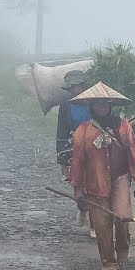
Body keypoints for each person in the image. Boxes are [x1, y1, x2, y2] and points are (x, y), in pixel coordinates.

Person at [68, 83, 135, 270]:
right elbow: (78, 161)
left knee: (122, 218)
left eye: (105, 104)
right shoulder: (83, 130)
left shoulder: (122, 126)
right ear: (92, 107)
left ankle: (122, 251)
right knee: (101, 223)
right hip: (94, 183)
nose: (101, 107)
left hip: (120, 179)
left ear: (110, 106)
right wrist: (77, 189)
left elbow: (133, 154)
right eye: (98, 104)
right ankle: (108, 261)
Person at [55, 70, 94, 237]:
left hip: (95, 148)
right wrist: (62, 158)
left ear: (83, 86)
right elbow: (61, 132)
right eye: (70, 87)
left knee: (96, 185)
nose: (74, 90)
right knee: (79, 185)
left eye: (76, 86)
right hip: (74, 149)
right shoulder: (66, 106)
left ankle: (95, 223)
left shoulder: (94, 102)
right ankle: (82, 209)